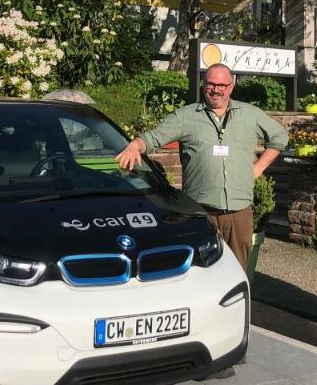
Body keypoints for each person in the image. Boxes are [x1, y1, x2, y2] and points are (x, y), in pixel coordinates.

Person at [116, 63, 288, 272]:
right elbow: (153, 138)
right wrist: (136, 145)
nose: (216, 90)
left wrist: (259, 167)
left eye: (222, 85)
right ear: (203, 85)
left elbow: (280, 137)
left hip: (239, 213)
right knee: (201, 272)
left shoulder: (250, 114)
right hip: (200, 213)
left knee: (238, 272)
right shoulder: (186, 116)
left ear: (231, 87)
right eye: (211, 84)